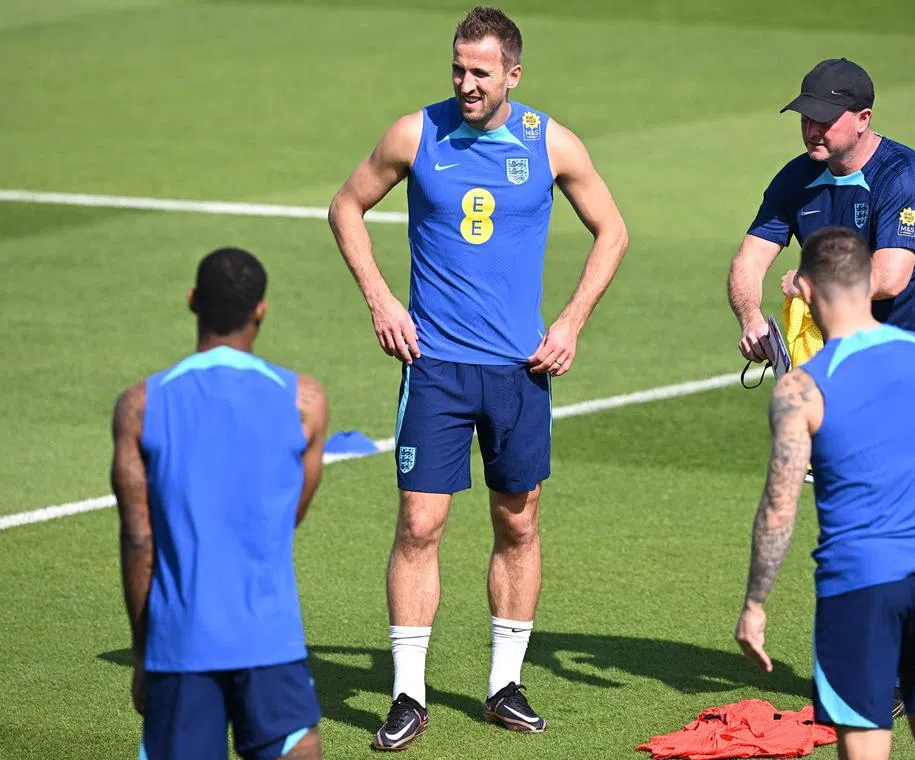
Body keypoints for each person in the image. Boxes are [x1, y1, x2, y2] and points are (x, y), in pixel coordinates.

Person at [327, 5, 628, 750]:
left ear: (512, 75)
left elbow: (613, 230)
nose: (465, 82)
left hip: (519, 371)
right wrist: (381, 300)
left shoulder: (549, 141)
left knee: (517, 521)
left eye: (480, 72)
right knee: (419, 524)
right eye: (458, 68)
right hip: (434, 369)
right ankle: (406, 694)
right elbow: (346, 206)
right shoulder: (415, 134)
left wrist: (570, 323)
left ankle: (503, 684)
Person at [734, 227, 915, 760]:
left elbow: (780, 509)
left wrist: (755, 603)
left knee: (865, 743)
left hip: (859, 585)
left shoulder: (801, 388)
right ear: (867, 281)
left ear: (802, 288)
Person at [111, 247, 328, 760]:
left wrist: (144, 651)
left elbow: (139, 538)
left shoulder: (141, 405)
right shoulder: (304, 401)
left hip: (181, 644)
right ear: (261, 310)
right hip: (270, 641)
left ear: (193, 302)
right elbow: (287, 516)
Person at [728, 57, 915, 370]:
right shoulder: (795, 178)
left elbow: (888, 279)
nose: (812, 130)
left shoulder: (904, 175)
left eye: (824, 119)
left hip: (906, 364)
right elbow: (749, 259)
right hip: (834, 368)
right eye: (806, 118)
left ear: (863, 119)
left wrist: (811, 281)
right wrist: (751, 320)